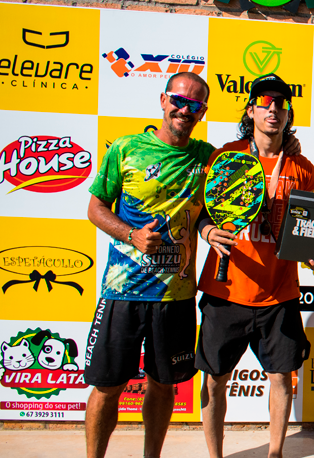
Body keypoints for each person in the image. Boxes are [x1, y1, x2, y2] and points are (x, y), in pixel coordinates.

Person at [83, 72, 215, 458]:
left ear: (203, 112)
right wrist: (130, 235)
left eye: (195, 105)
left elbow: (218, 201)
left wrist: (205, 231)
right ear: (162, 100)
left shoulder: (207, 157)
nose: (184, 109)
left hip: (175, 296)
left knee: (164, 385)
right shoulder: (125, 148)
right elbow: (95, 207)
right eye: (179, 100)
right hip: (121, 291)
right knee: (107, 386)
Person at [196, 74, 314, 458]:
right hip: (226, 289)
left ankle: (276, 453)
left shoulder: (301, 166)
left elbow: (310, 229)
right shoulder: (225, 155)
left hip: (278, 291)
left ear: (287, 115)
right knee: (215, 381)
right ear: (251, 111)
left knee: (281, 377)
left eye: (281, 103)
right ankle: (215, 455)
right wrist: (208, 232)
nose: (273, 109)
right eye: (265, 102)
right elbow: (199, 213)